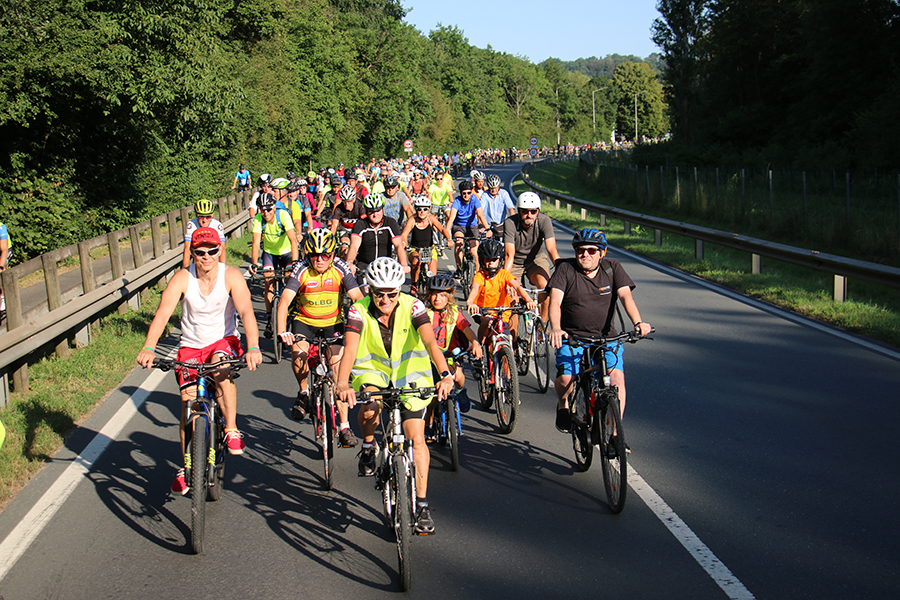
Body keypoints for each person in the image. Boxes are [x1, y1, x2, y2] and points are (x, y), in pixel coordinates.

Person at [137, 227, 262, 494]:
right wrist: (149, 347)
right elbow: (162, 314)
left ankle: (230, 428)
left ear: (220, 250)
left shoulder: (231, 276)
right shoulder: (182, 278)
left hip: (223, 341)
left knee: (220, 368)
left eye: (212, 251)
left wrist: (253, 346)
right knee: (187, 406)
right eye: (200, 252)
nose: (206, 257)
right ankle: (186, 464)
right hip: (190, 347)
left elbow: (247, 311)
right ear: (192, 253)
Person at [336, 258, 455, 535]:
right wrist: (342, 382)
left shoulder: (414, 305)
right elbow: (350, 349)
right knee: (370, 407)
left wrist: (445, 373)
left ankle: (422, 506)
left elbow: (429, 342)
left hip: (411, 374)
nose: (385, 299)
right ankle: (368, 446)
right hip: (373, 373)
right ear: (370, 290)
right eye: (379, 293)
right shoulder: (357, 310)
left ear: (399, 291)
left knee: (417, 438)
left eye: (392, 293)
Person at [546, 228, 652, 444]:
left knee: (617, 379)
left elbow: (626, 298)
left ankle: (615, 435)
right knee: (567, 379)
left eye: (592, 251)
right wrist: (556, 327)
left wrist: (638, 323)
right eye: (580, 251)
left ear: (602, 252)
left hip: (606, 339)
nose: (585, 255)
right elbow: (555, 301)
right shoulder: (565, 269)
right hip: (572, 337)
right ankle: (563, 404)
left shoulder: (612, 268)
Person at [276, 229, 364, 447]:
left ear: (333, 254)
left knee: (337, 373)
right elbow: (285, 300)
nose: (320, 259)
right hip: (304, 321)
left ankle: (344, 426)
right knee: (299, 355)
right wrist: (281, 330)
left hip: (332, 323)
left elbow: (358, 299)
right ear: (308, 254)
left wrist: (364, 327)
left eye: (325, 255)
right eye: (314, 255)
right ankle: (304, 392)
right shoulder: (301, 269)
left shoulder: (340, 268)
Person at [424, 273, 481, 426]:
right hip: (428, 358)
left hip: (449, 356)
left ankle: (461, 392)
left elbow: (467, 329)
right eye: (434, 295)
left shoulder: (454, 312)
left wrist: (475, 343)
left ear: (449, 296)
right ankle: (428, 425)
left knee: (459, 376)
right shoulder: (425, 313)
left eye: (442, 295)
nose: (437, 299)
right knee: (432, 399)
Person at [466, 239, 537, 349]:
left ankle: (511, 352)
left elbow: (517, 286)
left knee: (508, 333)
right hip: (484, 311)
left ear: (500, 260)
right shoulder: (479, 276)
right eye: (487, 260)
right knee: (486, 322)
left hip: (502, 312)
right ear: (482, 260)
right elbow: (475, 288)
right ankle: (478, 346)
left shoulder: (504, 274)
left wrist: (529, 300)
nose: (491, 263)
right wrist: (470, 302)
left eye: (494, 260)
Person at [503, 191, 560, 321]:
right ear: (519, 211)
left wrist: (562, 271)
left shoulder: (544, 221)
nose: (529, 215)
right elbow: (509, 254)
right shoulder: (510, 223)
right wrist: (505, 280)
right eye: (525, 211)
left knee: (546, 288)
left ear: (538, 211)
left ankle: (541, 330)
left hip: (535, 260)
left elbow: (552, 250)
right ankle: (514, 338)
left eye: (533, 212)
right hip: (515, 262)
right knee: (511, 300)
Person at [250, 194, 299, 338]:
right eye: (262, 210)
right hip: (270, 253)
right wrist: (254, 263)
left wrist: (295, 262)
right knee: (268, 284)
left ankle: (291, 310)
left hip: (287, 252)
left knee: (290, 281)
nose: (266, 213)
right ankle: (270, 319)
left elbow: (293, 239)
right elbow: (255, 243)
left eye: (268, 209)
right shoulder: (259, 219)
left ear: (274, 207)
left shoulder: (283, 215)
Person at [346, 193, 409, 279]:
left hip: (385, 266)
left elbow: (399, 245)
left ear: (383, 209)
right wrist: (349, 262)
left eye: (378, 211)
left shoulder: (390, 223)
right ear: (366, 211)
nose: (375, 215)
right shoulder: (360, 224)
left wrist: (404, 265)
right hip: (365, 267)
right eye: (371, 212)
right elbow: (354, 246)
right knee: (362, 291)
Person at [401, 195, 451, 296]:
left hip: (430, 248)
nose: (422, 211)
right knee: (415, 262)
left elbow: (442, 229)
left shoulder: (431, 219)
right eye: (419, 209)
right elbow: (404, 235)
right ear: (416, 209)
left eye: (425, 209)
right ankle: (414, 285)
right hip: (415, 248)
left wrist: (449, 239)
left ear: (429, 210)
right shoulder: (412, 220)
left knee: (433, 275)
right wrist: (405, 245)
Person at [445, 180, 491, 274]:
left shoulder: (475, 199)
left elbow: (481, 215)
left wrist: (488, 229)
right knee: (459, 244)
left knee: (475, 251)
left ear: (471, 192)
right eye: (464, 193)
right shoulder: (457, 201)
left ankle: (478, 273)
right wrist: (447, 236)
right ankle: (459, 269)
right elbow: (451, 218)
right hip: (459, 226)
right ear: (461, 193)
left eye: (469, 193)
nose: (466, 195)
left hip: (472, 226)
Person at [183, 199, 227, 269]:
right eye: (201, 217)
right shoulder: (191, 225)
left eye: (208, 217)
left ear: (212, 214)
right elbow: (187, 248)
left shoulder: (217, 225)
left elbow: (223, 248)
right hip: (199, 257)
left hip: (212, 256)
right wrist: (185, 270)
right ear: (196, 215)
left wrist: (223, 270)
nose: (204, 220)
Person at [480, 174, 515, 238]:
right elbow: (480, 210)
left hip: (501, 224)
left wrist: (514, 223)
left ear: (498, 187)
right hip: (488, 225)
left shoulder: (504, 193)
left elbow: (511, 208)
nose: (493, 190)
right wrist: (481, 225)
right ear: (488, 187)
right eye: (491, 188)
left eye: (495, 188)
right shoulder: (485, 195)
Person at [0, 221, 10, 316]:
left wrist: (1, 267)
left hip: (5, 250)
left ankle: (2, 297)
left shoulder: (1, 227)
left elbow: (4, 250)